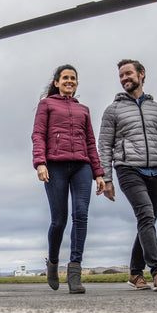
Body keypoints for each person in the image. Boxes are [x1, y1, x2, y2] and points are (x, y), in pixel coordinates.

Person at [98, 59, 157, 291]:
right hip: (128, 168)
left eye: (128, 74)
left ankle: (135, 273)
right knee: (145, 215)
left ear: (141, 74)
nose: (125, 78)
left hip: (156, 169)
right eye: (121, 76)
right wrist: (106, 178)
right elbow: (104, 145)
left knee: (148, 220)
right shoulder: (113, 110)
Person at [31, 64, 105, 294]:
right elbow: (38, 134)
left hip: (82, 166)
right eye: (65, 78)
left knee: (80, 215)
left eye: (73, 78)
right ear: (57, 82)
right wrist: (40, 162)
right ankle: (53, 263)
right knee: (59, 221)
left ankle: (74, 273)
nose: (69, 81)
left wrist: (98, 173)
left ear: (77, 83)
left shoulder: (83, 109)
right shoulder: (46, 105)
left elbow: (91, 143)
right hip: (55, 165)